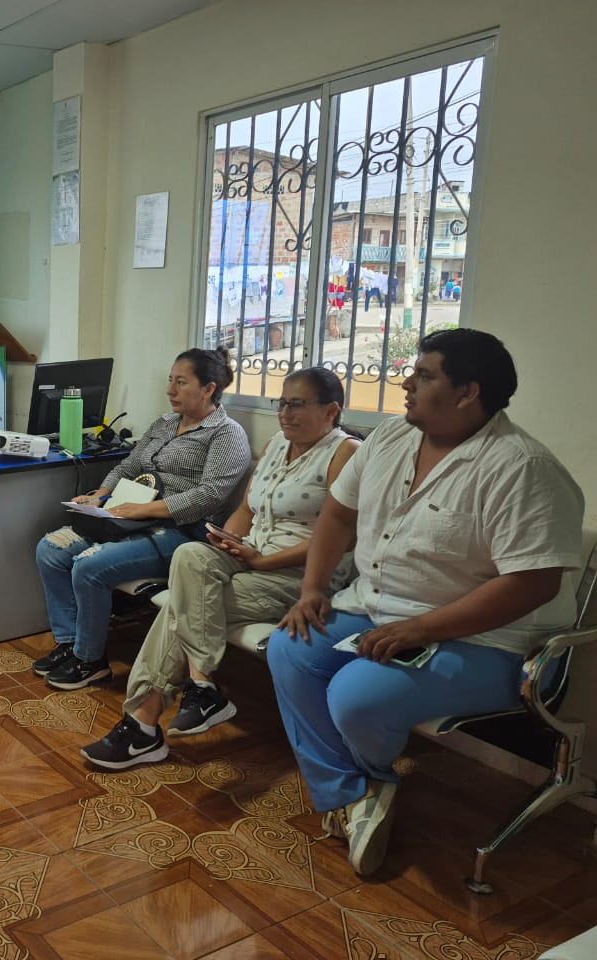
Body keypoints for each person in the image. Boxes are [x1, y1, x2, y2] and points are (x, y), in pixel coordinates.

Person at [267, 328, 583, 877]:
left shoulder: (522, 468)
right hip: (377, 608)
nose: (406, 383)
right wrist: (313, 589)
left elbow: (532, 584)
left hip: (494, 642)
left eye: (425, 375)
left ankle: (357, 790)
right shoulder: (391, 438)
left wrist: (420, 630)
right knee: (290, 647)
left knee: (356, 695)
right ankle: (356, 792)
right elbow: (338, 514)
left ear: (467, 392)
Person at [81, 368, 358, 768]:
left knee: (181, 604)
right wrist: (227, 540)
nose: (284, 413)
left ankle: (143, 724)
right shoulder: (277, 444)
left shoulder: (345, 453)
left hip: (300, 577)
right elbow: (246, 510)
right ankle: (201, 686)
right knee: (190, 555)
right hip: (251, 555)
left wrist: (262, 561)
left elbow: (342, 539)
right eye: (281, 403)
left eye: (297, 405)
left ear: (331, 411)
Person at [33, 348, 251, 691]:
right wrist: (99, 495)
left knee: (89, 566)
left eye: (181, 382)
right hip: (130, 516)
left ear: (209, 388)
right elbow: (129, 465)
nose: (170, 390)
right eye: (170, 380)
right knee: (51, 549)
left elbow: (210, 496)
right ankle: (70, 644)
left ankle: (90, 660)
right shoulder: (164, 423)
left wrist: (144, 510)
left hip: (182, 531)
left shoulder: (226, 434)